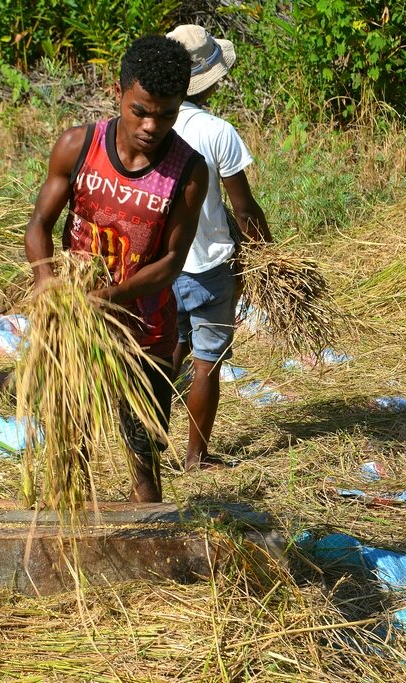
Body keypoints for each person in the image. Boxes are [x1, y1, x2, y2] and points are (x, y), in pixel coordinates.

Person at [25, 35, 208, 503]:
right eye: (140, 111)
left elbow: (170, 263)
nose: (151, 125)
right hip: (75, 329)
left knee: (144, 460)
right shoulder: (78, 146)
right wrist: (48, 281)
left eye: (166, 114)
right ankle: (67, 541)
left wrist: (104, 300)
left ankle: (150, 554)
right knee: (70, 450)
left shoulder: (188, 171)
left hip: (145, 332)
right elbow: (39, 225)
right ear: (118, 92)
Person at [165, 25, 273, 471]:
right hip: (210, 265)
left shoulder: (152, 123)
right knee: (208, 360)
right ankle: (195, 456)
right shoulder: (217, 131)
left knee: (171, 349)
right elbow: (244, 210)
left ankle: (147, 439)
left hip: (162, 267)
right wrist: (270, 255)